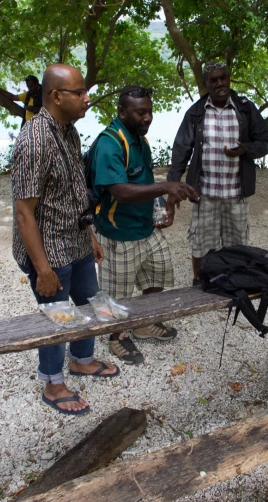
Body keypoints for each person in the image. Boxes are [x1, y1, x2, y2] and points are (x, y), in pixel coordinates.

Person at [11, 63, 119, 416]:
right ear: (57, 96)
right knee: (57, 315)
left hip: (75, 240)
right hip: (49, 250)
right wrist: (42, 269)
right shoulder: (33, 141)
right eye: (80, 92)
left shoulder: (69, 131)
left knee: (89, 303)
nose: (87, 99)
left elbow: (73, 192)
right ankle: (53, 382)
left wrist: (90, 236)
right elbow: (24, 213)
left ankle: (82, 360)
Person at [89, 86, 198, 364]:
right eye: (140, 112)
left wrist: (164, 205)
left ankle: (144, 323)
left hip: (146, 228)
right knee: (117, 294)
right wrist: (167, 185)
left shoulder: (140, 139)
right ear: (122, 112)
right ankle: (116, 336)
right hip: (119, 234)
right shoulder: (110, 143)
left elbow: (145, 183)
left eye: (149, 111)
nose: (147, 117)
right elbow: (121, 191)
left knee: (159, 275)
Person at [167, 61, 268, 284]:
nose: (220, 83)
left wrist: (245, 150)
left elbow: (265, 141)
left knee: (237, 244)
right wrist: (172, 186)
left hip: (237, 194)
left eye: (223, 77)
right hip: (204, 194)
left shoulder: (245, 109)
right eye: (213, 80)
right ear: (206, 84)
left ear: (228, 78)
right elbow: (181, 150)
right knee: (201, 242)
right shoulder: (196, 112)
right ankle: (200, 280)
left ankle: (234, 283)